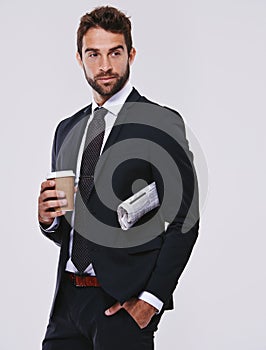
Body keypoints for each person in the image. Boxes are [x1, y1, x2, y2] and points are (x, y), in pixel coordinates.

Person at [38, 6, 199, 350]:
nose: (105, 65)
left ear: (131, 54)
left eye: (115, 52)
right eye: (93, 54)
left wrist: (150, 302)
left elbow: (184, 219)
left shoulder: (160, 123)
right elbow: (79, 229)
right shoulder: (66, 130)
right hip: (66, 303)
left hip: (122, 307)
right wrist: (49, 221)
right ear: (79, 59)